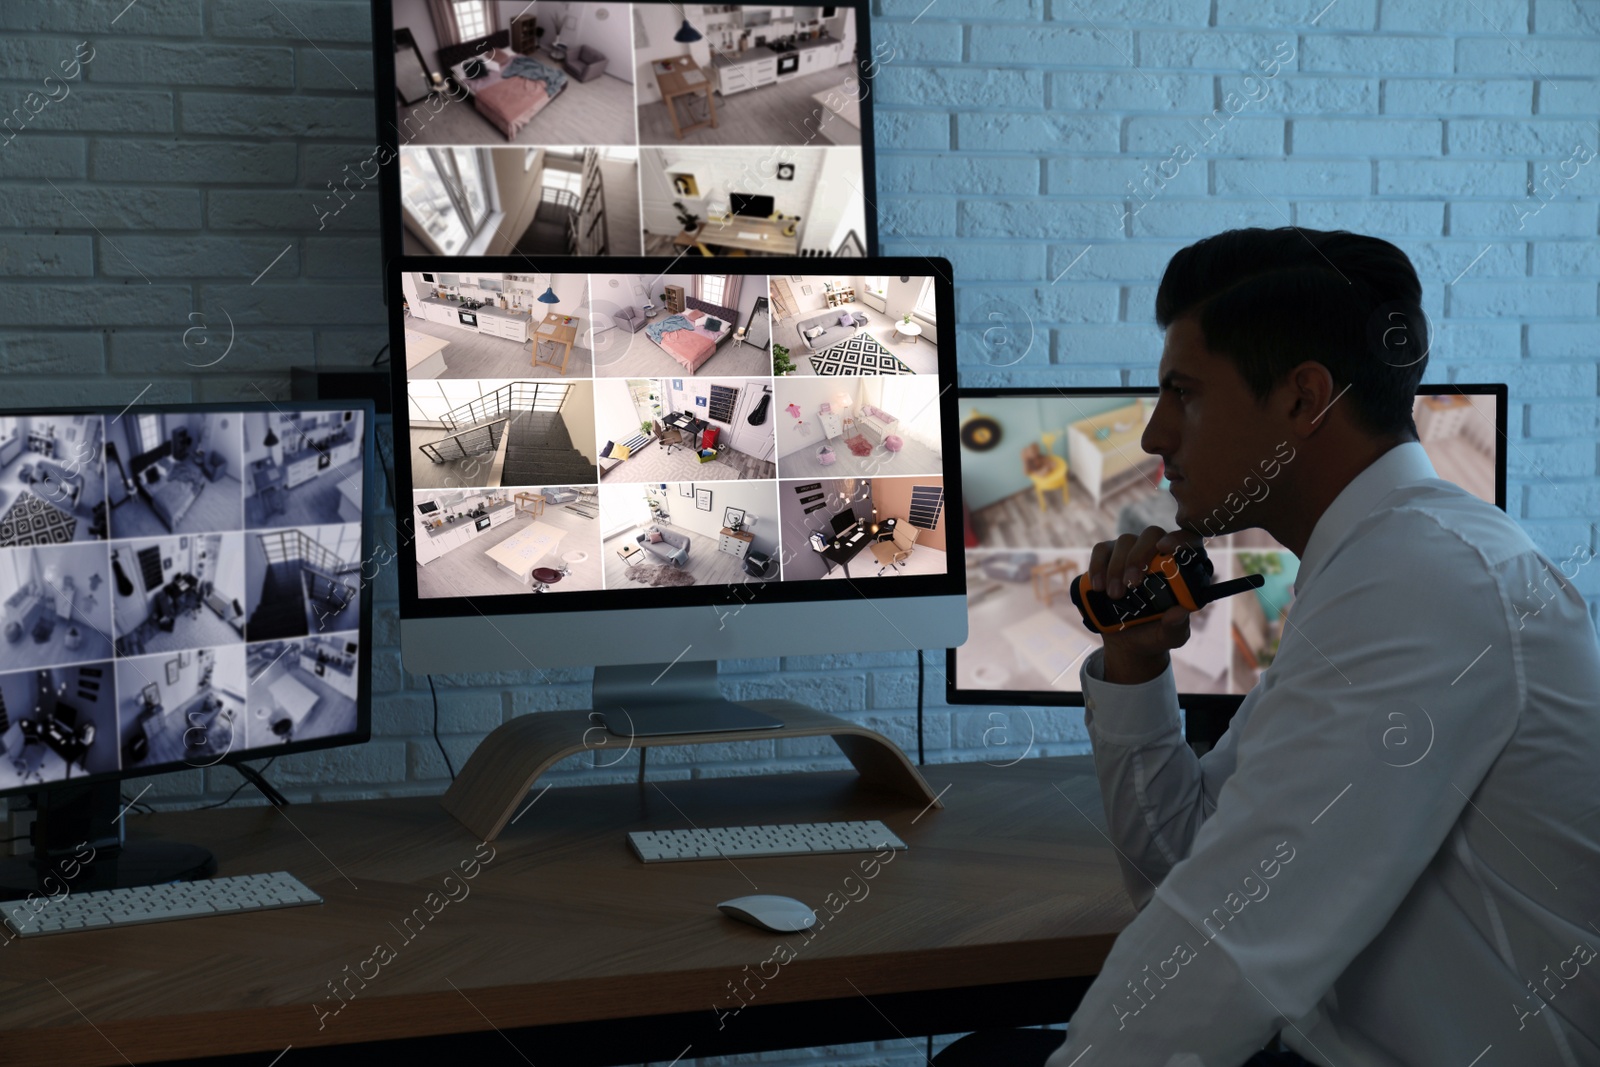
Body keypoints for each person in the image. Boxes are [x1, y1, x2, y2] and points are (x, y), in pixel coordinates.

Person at [941, 228, 1600, 1067]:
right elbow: (1187, 866)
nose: (1152, 436)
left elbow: (1224, 941)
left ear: (1302, 399)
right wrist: (1140, 662)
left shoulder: (1424, 578)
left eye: (1184, 394)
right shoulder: (1379, 562)